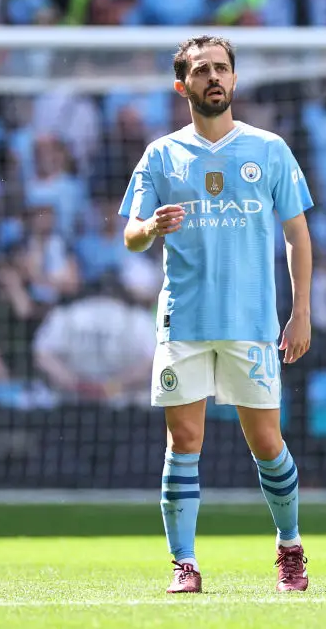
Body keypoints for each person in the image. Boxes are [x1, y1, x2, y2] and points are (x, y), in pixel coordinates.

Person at [120, 35, 315, 594]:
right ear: (182, 84)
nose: (213, 78)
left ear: (234, 80)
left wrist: (300, 311)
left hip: (251, 322)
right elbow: (131, 235)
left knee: (267, 443)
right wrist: (151, 227)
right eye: (201, 70)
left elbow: (297, 234)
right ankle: (185, 564)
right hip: (184, 321)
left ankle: (290, 545)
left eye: (222, 69)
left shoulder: (269, 149)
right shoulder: (161, 155)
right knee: (183, 440)